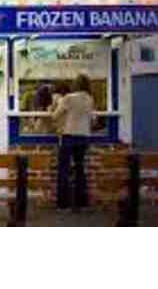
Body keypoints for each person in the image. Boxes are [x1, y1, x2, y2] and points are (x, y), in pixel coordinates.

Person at [52, 73, 94, 212]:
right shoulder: (89, 99)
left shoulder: (69, 98)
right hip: (84, 136)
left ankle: (63, 204)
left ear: (75, 85)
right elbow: (93, 119)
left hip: (69, 135)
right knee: (80, 169)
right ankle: (81, 203)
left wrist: (56, 106)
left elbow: (55, 115)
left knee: (63, 170)